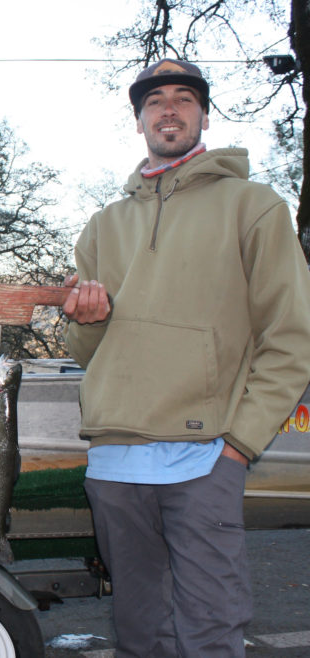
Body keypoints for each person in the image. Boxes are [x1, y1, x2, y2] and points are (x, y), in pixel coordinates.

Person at [62, 59, 310, 657]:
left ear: (203, 113)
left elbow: (292, 337)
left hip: (204, 460)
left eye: (182, 98)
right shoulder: (103, 225)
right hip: (115, 462)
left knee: (210, 630)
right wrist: (86, 320)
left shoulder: (254, 206)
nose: (168, 110)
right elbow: (84, 352)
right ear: (140, 119)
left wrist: (238, 445)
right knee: (142, 634)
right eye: (154, 102)